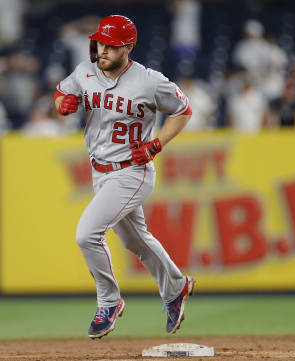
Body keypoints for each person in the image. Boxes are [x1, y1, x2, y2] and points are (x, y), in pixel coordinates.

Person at [54, 15, 194, 339]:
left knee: (86, 234)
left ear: (128, 47)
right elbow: (61, 93)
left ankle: (109, 301)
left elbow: (183, 110)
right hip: (100, 172)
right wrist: (63, 104)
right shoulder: (85, 71)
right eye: (100, 42)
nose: (103, 50)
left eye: (111, 45)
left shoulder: (149, 80)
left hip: (132, 171)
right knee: (135, 240)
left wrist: (157, 144)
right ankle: (176, 287)